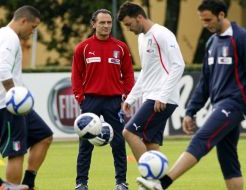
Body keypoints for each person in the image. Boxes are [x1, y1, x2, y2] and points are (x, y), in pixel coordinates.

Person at [136, 0, 246, 190]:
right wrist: (190, 110)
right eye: (202, 21)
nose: (205, 25)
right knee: (228, 159)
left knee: (201, 138)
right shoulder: (212, 42)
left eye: (208, 20)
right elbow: (204, 81)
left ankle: (162, 184)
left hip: (234, 105)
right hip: (219, 104)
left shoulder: (241, 38)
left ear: (221, 15)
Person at [117, 1, 185, 188]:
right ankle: (158, 185)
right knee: (151, 145)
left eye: (129, 24)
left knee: (129, 132)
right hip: (153, 97)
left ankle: (150, 179)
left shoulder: (162, 34)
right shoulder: (141, 38)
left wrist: (163, 95)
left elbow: (178, 65)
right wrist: (131, 98)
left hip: (162, 98)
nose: (129, 29)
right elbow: (146, 73)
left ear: (140, 17)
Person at [71, 9, 134, 190]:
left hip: (114, 101)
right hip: (90, 101)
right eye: (102, 23)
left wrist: (127, 97)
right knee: (85, 144)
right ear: (94, 24)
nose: (106, 26)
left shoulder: (121, 47)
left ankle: (121, 182)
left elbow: (128, 75)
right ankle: (81, 183)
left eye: (109, 23)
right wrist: (81, 99)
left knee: (118, 142)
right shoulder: (82, 48)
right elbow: (76, 75)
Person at [0, 6, 53, 190]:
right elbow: (3, 70)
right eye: (33, 27)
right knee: (16, 152)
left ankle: (28, 183)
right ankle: (11, 188)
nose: (33, 32)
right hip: (8, 104)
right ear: (23, 21)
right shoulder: (10, 38)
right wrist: (14, 97)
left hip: (13, 103)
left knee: (44, 136)